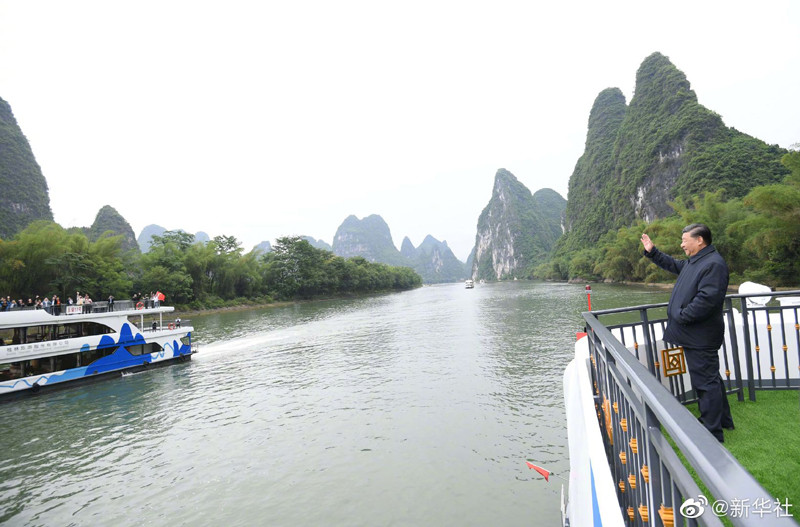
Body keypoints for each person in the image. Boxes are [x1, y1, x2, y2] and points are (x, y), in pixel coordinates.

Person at [641, 223, 734, 442]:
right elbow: (674, 265)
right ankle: (724, 420)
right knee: (710, 377)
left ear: (699, 240)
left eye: (685, 240)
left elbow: (707, 300)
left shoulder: (713, 264)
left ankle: (711, 431)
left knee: (705, 382)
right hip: (695, 333)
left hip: (700, 335)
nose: (682, 244)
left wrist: (682, 316)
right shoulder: (698, 261)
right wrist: (652, 252)